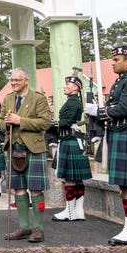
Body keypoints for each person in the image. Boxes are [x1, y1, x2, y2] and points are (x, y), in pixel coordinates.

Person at [84, 45, 127, 245]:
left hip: (125, 132)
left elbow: (122, 108)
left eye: (116, 60)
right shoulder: (121, 82)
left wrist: (99, 111)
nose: (112, 63)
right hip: (119, 133)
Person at [0, 67, 51, 243]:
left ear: (26, 81)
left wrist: (21, 121)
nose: (13, 83)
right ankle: (24, 226)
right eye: (12, 80)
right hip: (14, 148)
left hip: (33, 149)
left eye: (17, 80)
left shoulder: (38, 98)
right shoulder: (8, 99)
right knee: (18, 189)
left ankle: (38, 228)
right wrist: (5, 123)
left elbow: (45, 123)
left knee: (35, 188)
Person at [51, 75, 92, 222]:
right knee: (78, 179)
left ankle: (69, 212)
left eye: (68, 85)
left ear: (75, 87)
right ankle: (78, 211)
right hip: (75, 140)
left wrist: (50, 125)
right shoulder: (75, 101)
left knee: (69, 178)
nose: (65, 86)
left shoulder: (73, 103)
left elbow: (65, 122)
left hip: (69, 139)